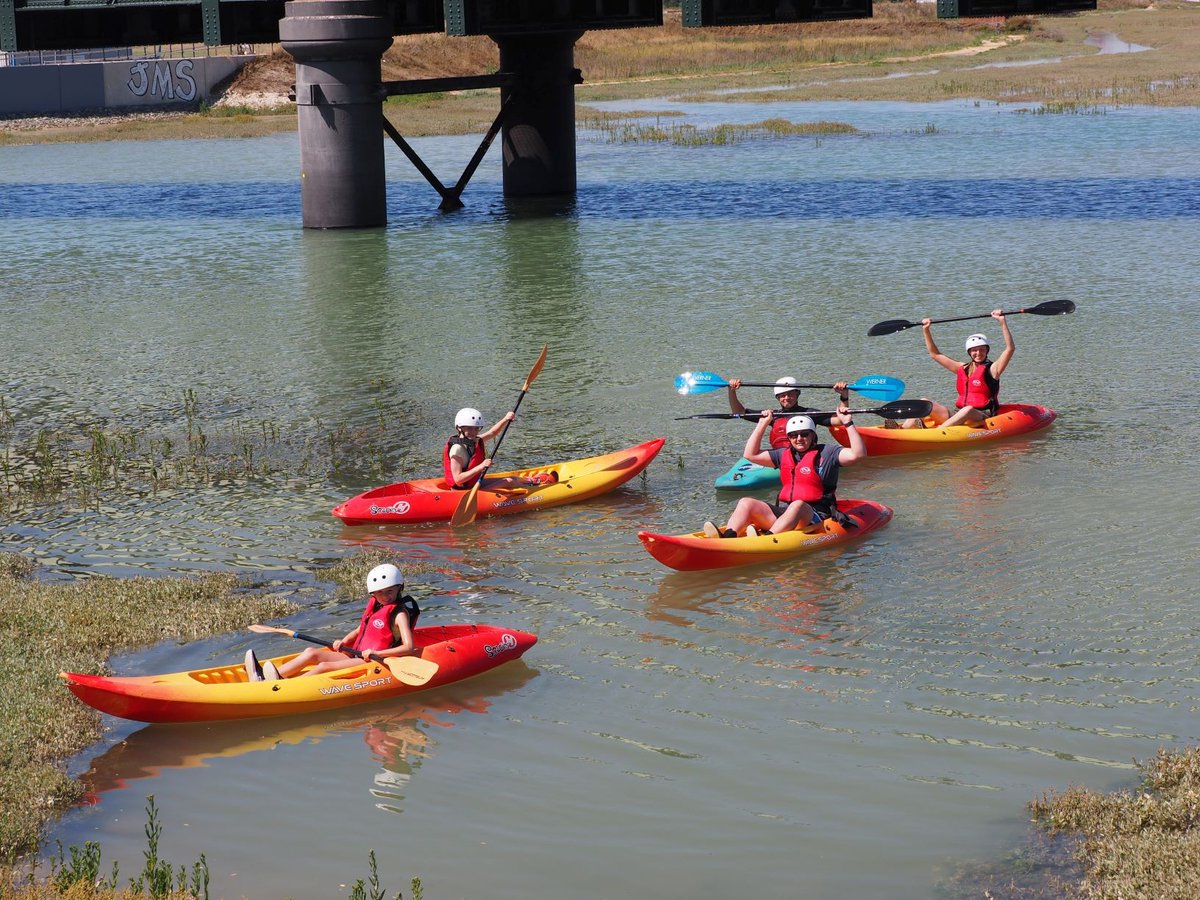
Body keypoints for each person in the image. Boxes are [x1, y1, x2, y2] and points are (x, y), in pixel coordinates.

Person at [703, 404, 866, 538]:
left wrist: (848, 424)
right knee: (746, 502)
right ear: (789, 438)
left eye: (804, 434)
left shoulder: (828, 453)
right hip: (786, 513)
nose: (799, 438)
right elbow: (750, 454)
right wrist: (762, 424)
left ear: (813, 436)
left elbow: (858, 455)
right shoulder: (783, 455)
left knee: (797, 505)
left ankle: (767, 539)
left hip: (815, 516)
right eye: (794, 435)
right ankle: (728, 537)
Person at [244, 564, 420, 681]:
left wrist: (374, 652)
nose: (385, 596)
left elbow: (409, 646)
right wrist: (343, 641)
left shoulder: (399, 614)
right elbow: (361, 629)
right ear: (373, 594)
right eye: (379, 593)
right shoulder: (377, 607)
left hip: (373, 659)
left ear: (400, 588)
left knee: (324, 666)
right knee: (311, 652)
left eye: (390, 591)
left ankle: (282, 687)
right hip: (356, 653)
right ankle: (266, 677)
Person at [903, 310, 1014, 428]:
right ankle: (902, 429)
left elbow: (1010, 349)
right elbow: (935, 354)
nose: (978, 353)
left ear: (987, 351)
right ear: (969, 352)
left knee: (967, 409)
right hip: (957, 413)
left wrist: (1002, 322)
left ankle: (938, 431)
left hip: (981, 415)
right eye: (974, 350)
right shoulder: (962, 368)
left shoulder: (993, 369)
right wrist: (926, 330)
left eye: (982, 349)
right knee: (924, 402)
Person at [444, 407, 555, 491]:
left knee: (513, 478)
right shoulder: (457, 449)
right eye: (469, 428)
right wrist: (481, 466)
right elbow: (458, 479)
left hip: (473, 484)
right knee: (509, 481)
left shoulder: (473, 440)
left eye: (476, 429)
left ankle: (532, 481)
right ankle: (539, 489)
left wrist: (506, 419)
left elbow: (492, 433)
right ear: (459, 427)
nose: (474, 432)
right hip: (464, 491)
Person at [726, 376, 849, 449]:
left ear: (797, 394)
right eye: (782, 395)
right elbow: (739, 412)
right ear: (777, 398)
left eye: (790, 394)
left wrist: (844, 396)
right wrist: (732, 390)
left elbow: (839, 420)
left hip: (806, 454)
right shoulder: (772, 416)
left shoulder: (810, 413)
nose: (786, 398)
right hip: (780, 457)